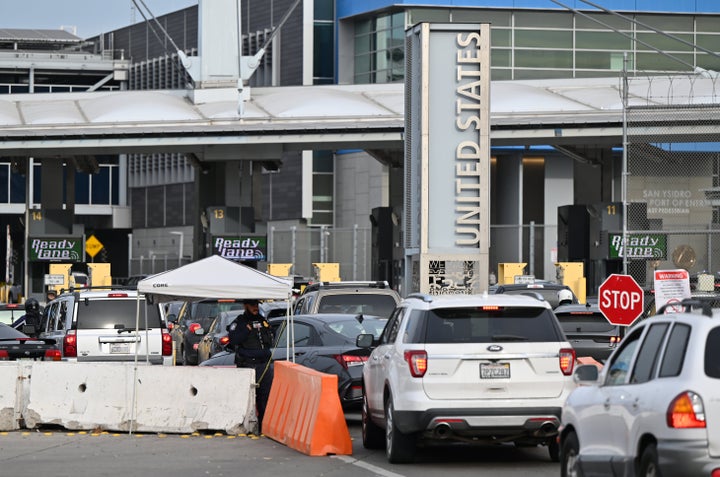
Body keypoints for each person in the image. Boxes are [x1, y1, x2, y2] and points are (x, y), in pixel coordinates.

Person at [226, 298, 275, 433]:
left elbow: (271, 338)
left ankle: (264, 428)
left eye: (257, 305)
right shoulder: (240, 322)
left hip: (263, 364)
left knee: (265, 397)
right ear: (246, 305)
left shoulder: (262, 320)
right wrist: (246, 331)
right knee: (247, 399)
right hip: (248, 364)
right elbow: (233, 339)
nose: (255, 307)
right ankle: (246, 427)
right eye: (253, 305)